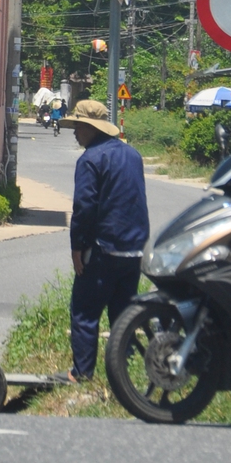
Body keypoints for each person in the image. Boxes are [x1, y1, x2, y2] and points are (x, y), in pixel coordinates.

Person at [65, 98, 149, 382]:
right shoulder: (133, 155)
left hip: (103, 250)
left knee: (85, 312)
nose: (75, 130)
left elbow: (84, 208)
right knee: (123, 316)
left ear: (91, 127)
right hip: (134, 249)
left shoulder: (90, 159)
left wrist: (77, 246)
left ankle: (82, 373)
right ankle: (124, 377)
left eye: (78, 125)